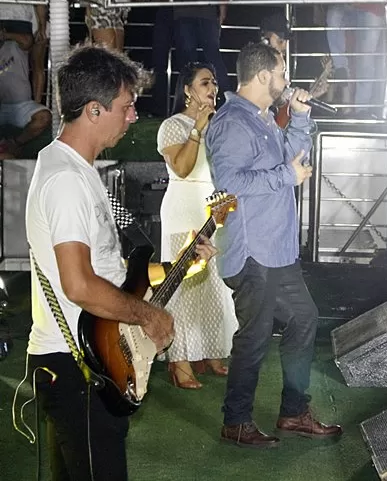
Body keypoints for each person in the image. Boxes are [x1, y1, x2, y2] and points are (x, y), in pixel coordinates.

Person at [25, 44, 216, 481]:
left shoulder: (77, 170)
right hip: (78, 367)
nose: (133, 117)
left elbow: (114, 276)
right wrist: (149, 315)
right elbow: (79, 285)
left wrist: (183, 263)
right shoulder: (67, 181)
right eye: (126, 106)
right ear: (94, 110)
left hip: (86, 363)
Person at [205, 41, 342, 448]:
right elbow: (229, 184)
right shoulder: (232, 123)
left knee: (304, 318)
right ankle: (236, 422)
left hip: (277, 251)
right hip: (253, 252)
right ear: (263, 76)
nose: (286, 80)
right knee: (255, 337)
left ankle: (294, 411)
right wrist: (285, 177)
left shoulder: (264, 119)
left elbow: (294, 159)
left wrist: (299, 117)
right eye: (282, 74)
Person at [157, 62, 237, 388]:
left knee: (215, 284)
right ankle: (179, 362)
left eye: (214, 82)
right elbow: (182, 168)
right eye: (205, 82)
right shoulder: (172, 125)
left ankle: (213, 352)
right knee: (184, 284)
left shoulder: (218, 126)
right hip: (182, 208)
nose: (213, 88)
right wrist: (197, 127)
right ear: (188, 90)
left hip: (212, 208)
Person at [313, 0, 387, 114]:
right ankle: (340, 67)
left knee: (366, 60)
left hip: (371, 9)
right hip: (346, 6)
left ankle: (361, 109)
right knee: (333, 15)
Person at [157, 0, 231, 94]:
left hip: (183, 14)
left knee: (188, 63)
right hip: (208, 15)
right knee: (214, 58)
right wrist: (222, 15)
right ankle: (227, 96)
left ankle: (190, 99)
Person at [0, 4, 53, 157]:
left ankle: (15, 143)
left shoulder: (19, 43)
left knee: (44, 117)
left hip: (22, 105)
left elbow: (27, 41)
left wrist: (5, 35)